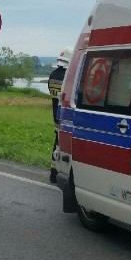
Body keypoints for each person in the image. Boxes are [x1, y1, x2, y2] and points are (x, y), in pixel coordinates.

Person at [48, 47, 72, 183]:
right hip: (64, 116)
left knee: (57, 143)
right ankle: (59, 174)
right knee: (63, 145)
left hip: (55, 115)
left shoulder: (52, 75)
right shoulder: (67, 77)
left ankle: (53, 172)